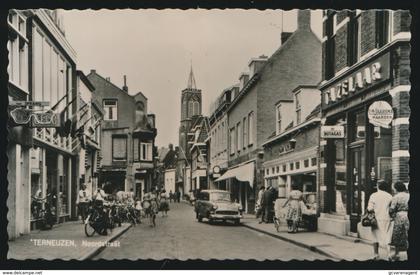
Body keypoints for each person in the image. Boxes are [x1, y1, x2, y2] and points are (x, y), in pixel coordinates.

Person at [367, 180, 393, 260]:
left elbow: (370, 208)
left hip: (376, 219)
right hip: (387, 218)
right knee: (387, 236)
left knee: (375, 237)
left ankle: (376, 254)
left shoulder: (374, 195)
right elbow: (392, 208)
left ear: (378, 186)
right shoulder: (389, 196)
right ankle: (389, 254)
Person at [389, 182, 409, 261]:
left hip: (400, 216)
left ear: (396, 188)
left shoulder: (396, 197)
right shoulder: (409, 195)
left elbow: (392, 208)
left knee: (398, 234)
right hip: (408, 215)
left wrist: (391, 214)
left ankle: (397, 254)